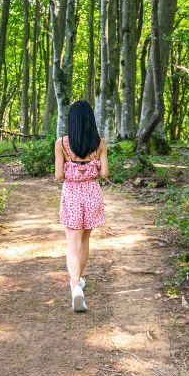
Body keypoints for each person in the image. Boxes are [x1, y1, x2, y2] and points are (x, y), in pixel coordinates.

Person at [54, 100, 108, 312]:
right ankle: (79, 279)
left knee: (72, 244)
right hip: (92, 194)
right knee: (85, 240)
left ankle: (75, 286)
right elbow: (104, 173)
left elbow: (59, 175)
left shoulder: (61, 144)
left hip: (72, 195)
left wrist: (72, 168)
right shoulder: (100, 143)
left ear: (72, 121)